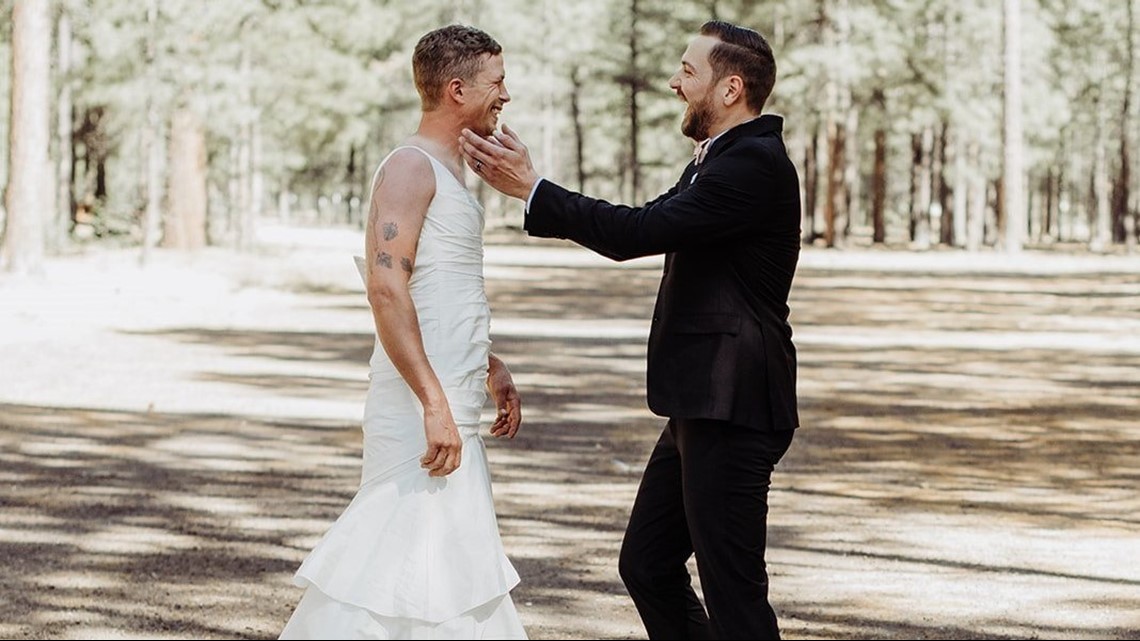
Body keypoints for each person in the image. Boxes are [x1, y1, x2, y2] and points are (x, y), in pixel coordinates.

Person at [459, 20, 800, 641]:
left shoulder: (750, 163)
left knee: (736, 597)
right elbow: (648, 222)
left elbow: (638, 232)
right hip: (702, 404)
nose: (675, 82)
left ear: (730, 89)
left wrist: (532, 189)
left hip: (735, 406)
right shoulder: (718, 157)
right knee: (647, 564)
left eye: (688, 72)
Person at [279, 25, 527, 640]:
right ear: (456, 89)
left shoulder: (454, 169)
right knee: (392, 553)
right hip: (419, 402)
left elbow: (440, 289)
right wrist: (434, 401)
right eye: (496, 83)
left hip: (453, 391)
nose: (505, 95)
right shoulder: (410, 169)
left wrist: (488, 365)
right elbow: (386, 289)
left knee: (445, 559)